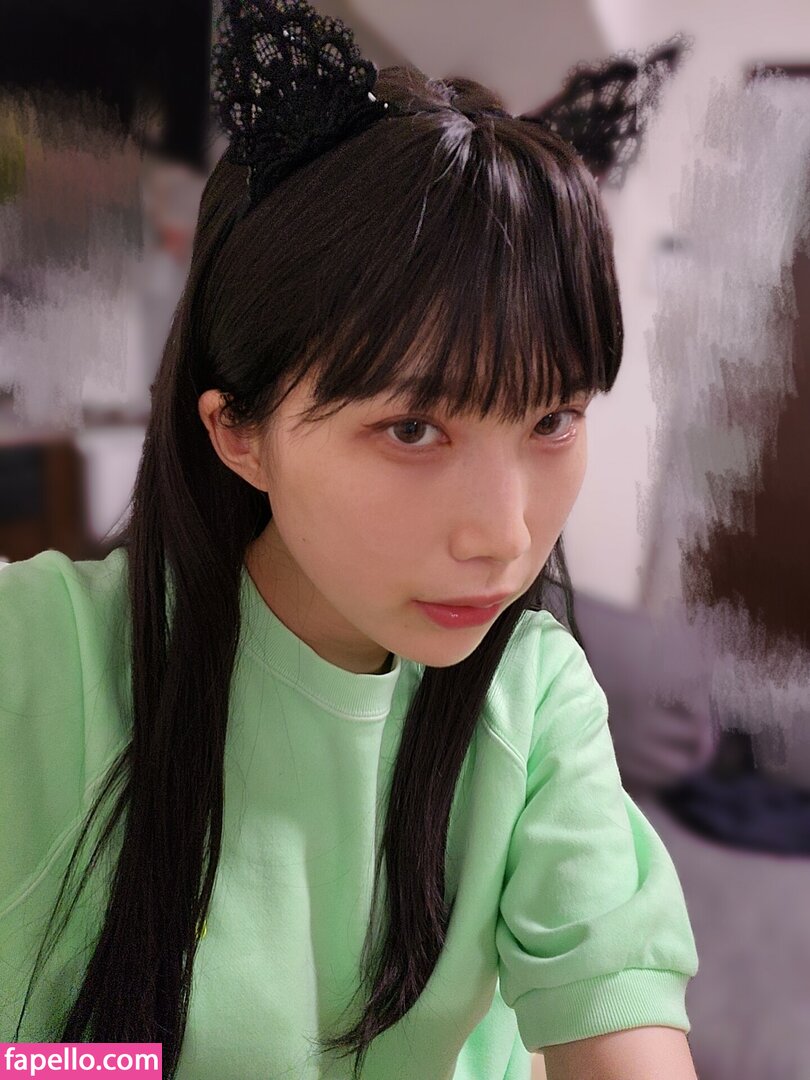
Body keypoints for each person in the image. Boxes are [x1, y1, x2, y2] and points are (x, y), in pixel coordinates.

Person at [0, 2, 699, 1077]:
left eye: (553, 419)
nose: (505, 536)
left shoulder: (534, 705)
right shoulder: (41, 658)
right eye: (412, 428)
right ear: (239, 433)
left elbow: (619, 1025)